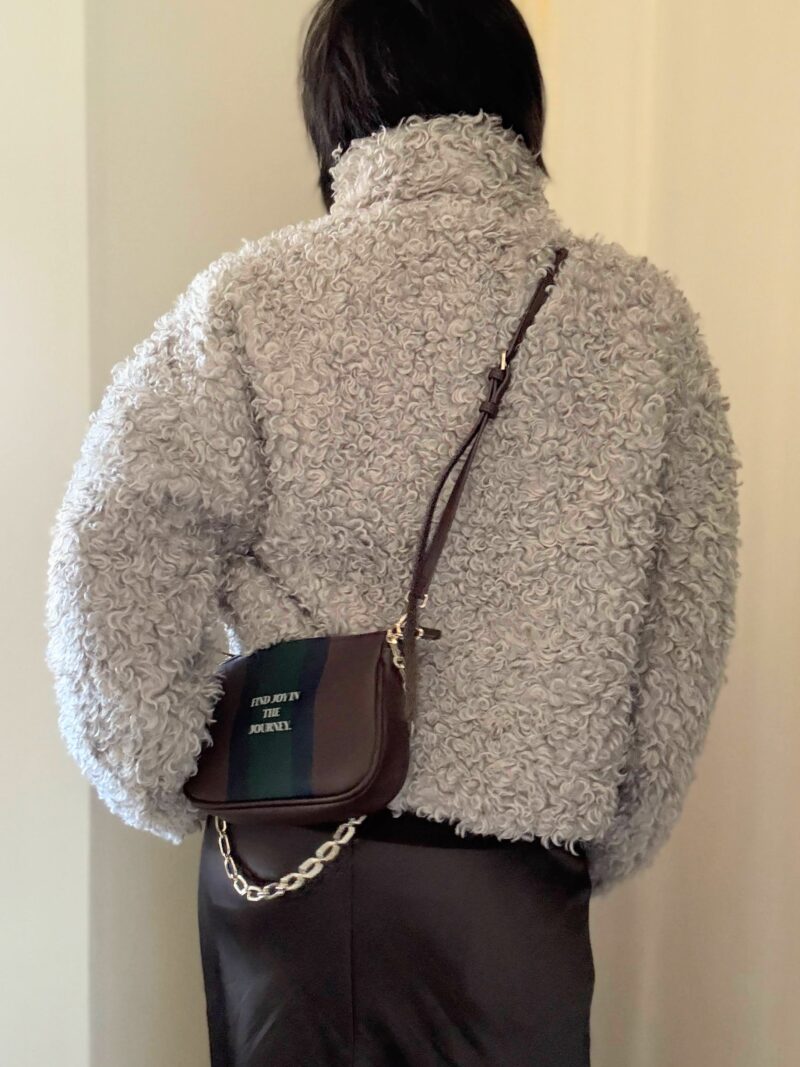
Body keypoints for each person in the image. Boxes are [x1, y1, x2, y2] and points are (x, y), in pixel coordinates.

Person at [44, 0, 742, 1064]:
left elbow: (109, 546)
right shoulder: (641, 323)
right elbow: (682, 621)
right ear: (517, 97)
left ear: (333, 111)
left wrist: (158, 765)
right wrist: (604, 829)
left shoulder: (245, 302)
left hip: (282, 865)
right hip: (504, 897)